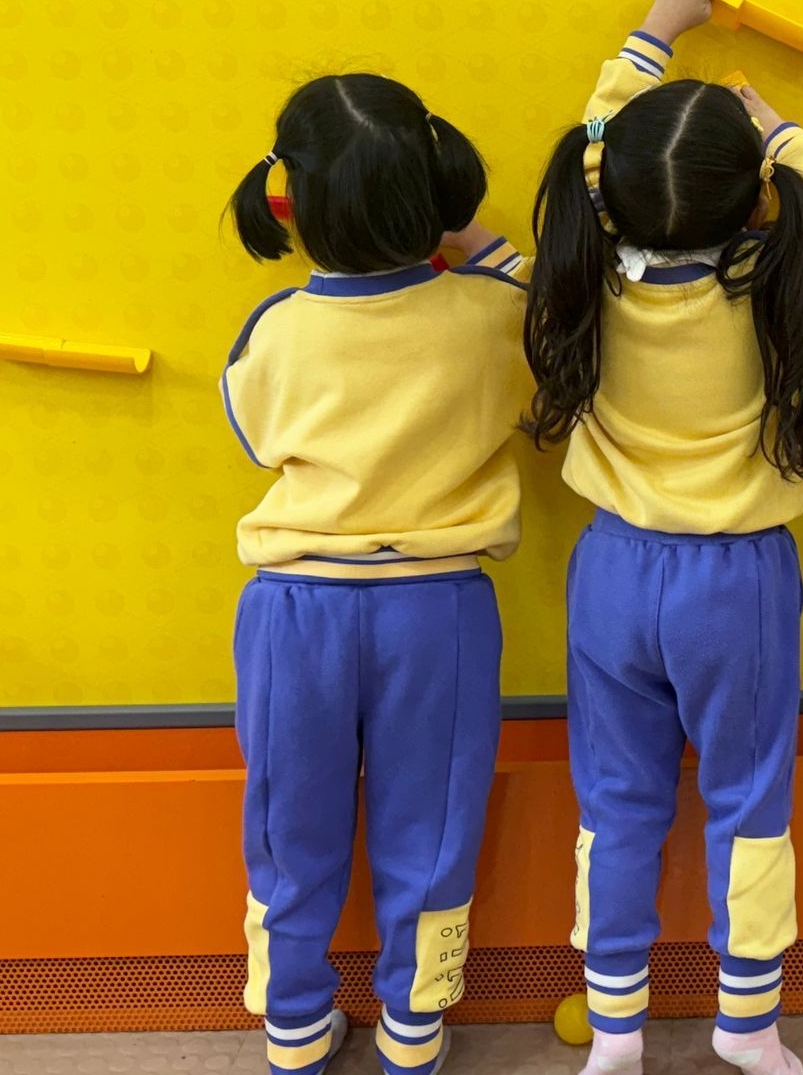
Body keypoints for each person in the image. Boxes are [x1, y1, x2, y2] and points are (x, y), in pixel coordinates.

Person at [523, 0, 803, 1075]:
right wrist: (777, 130)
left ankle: (615, 1033)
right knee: (748, 801)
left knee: (615, 804)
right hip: (738, 578)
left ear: (608, 192)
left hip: (614, 572)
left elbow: (597, 137)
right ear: (758, 200)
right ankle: (747, 1023)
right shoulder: (788, 273)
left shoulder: (578, 275)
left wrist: (656, 29)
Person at [221, 74, 531, 1075]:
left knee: (288, 825)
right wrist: (472, 238)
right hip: (438, 608)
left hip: (295, 607)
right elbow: (540, 297)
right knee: (432, 827)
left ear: (290, 203)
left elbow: (255, 437)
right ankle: (415, 1030)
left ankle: (293, 1029)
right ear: (435, 192)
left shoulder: (275, 327)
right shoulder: (494, 313)